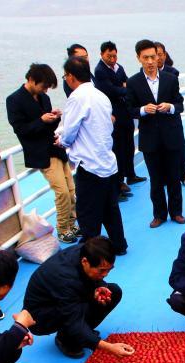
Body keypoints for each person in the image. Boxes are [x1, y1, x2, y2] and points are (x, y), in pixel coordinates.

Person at [58, 57, 128, 254]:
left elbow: (69, 131)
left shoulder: (76, 98)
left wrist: (61, 141)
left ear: (71, 76)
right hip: (107, 161)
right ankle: (119, 245)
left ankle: (91, 252)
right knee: (110, 209)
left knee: (88, 213)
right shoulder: (100, 95)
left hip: (89, 164)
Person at [23, 236, 134, 359]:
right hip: (40, 317)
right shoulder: (65, 279)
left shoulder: (88, 251)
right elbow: (73, 319)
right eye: (102, 271)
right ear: (85, 262)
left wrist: (100, 285)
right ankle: (66, 339)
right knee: (76, 316)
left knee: (113, 292)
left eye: (109, 270)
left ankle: (82, 334)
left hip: (64, 298)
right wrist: (108, 347)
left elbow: (91, 279)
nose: (105, 274)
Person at [7, 63, 78, 244]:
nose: (45, 90)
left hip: (55, 147)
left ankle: (72, 223)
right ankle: (63, 229)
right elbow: (21, 130)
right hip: (40, 153)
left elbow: (49, 125)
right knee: (62, 191)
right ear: (31, 80)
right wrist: (41, 120)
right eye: (43, 86)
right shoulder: (14, 100)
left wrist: (55, 117)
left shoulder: (43, 98)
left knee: (71, 189)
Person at [126, 39, 185, 229]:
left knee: (174, 176)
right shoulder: (133, 82)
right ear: (139, 58)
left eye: (153, 56)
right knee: (156, 179)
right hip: (150, 138)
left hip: (171, 135)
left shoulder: (170, 78)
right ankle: (159, 214)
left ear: (159, 56)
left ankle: (176, 212)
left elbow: (180, 104)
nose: (151, 61)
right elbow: (130, 109)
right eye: (146, 58)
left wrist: (170, 107)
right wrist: (144, 110)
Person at [94, 41, 142, 192]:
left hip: (125, 111)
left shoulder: (119, 67)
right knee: (118, 147)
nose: (112, 59)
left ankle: (131, 174)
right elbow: (109, 90)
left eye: (114, 55)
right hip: (113, 113)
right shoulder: (100, 70)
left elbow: (127, 83)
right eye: (109, 56)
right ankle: (119, 180)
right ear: (102, 54)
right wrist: (124, 89)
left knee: (129, 144)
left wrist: (124, 88)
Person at [153, 43, 185, 187]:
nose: (157, 58)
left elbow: (176, 98)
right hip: (155, 119)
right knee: (160, 148)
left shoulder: (172, 73)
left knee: (179, 147)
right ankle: (165, 177)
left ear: (165, 55)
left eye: (160, 54)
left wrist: (168, 106)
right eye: (154, 55)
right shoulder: (145, 75)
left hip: (171, 116)